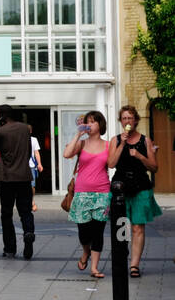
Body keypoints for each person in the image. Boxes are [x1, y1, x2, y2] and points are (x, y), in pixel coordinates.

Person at [107, 105, 161, 277]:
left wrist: (140, 156)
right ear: (120, 121)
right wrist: (122, 143)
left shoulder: (145, 141)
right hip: (120, 188)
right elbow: (111, 164)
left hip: (140, 187)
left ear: (136, 120)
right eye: (124, 118)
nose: (127, 121)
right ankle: (122, 257)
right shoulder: (115, 140)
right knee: (122, 225)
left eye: (130, 118)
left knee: (138, 227)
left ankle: (134, 265)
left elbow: (154, 167)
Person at [65, 111, 110, 279]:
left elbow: (111, 163)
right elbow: (66, 154)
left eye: (93, 122)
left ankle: (94, 268)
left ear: (100, 125)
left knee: (98, 232)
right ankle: (86, 251)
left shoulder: (107, 145)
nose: (89, 125)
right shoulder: (82, 144)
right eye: (87, 122)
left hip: (102, 193)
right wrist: (78, 134)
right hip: (82, 193)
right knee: (84, 232)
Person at [0, 105, 35, 260]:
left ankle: (10, 248)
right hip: (24, 176)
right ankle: (28, 232)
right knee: (26, 211)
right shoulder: (24, 129)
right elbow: (28, 152)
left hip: (8, 177)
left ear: (1, 116)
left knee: (6, 214)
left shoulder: (0, 132)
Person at [28, 131, 43, 212]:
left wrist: (39, 164)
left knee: (32, 185)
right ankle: (28, 202)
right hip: (21, 165)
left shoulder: (34, 140)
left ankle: (31, 201)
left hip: (31, 165)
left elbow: (36, 153)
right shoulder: (20, 138)